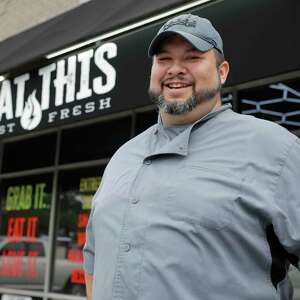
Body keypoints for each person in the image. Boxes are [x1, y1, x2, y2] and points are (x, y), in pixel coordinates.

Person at [83, 13, 300, 300]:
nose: (175, 69)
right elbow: (94, 259)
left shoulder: (274, 147)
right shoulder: (124, 155)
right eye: (163, 60)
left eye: (193, 57)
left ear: (222, 72)